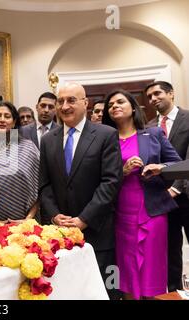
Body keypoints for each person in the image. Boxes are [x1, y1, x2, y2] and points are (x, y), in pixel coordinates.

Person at [39, 83, 123, 299]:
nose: (64, 106)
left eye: (71, 100)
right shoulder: (48, 140)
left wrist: (84, 219)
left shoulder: (106, 135)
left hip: (97, 232)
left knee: (103, 290)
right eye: (61, 101)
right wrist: (54, 215)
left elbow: (111, 182)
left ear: (85, 103)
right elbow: (44, 184)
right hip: (59, 234)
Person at [102, 89, 181, 299]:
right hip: (119, 213)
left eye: (120, 102)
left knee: (152, 266)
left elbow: (179, 164)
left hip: (152, 211)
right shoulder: (104, 139)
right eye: (110, 105)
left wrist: (160, 167)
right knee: (125, 268)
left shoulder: (153, 134)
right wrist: (123, 171)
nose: (114, 106)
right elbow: (98, 177)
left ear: (132, 107)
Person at [145, 81, 189, 292]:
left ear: (171, 93)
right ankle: (174, 291)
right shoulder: (149, 127)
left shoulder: (188, 118)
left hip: (186, 194)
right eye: (150, 96)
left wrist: (176, 188)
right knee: (171, 250)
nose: (153, 99)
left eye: (157, 93)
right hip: (163, 200)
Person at [0, 102, 40, 221]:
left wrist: (28, 220)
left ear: (14, 122)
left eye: (7, 116)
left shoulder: (28, 147)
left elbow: (40, 187)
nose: (2, 119)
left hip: (25, 222)